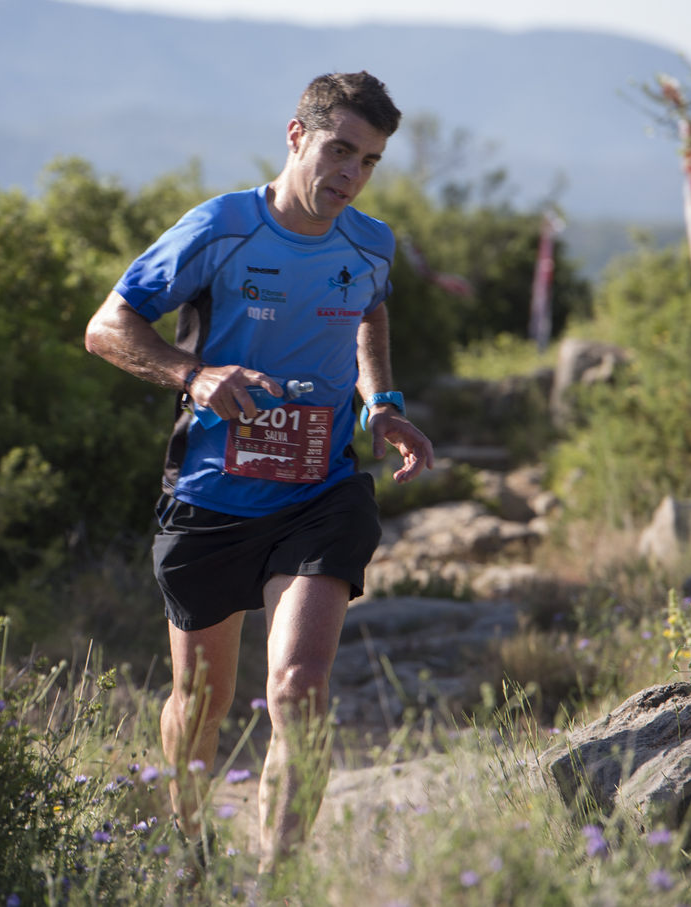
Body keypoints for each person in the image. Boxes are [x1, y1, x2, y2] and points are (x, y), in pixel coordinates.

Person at [84, 70, 434, 873]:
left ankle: (280, 878)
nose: (351, 174)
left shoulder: (370, 242)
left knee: (298, 686)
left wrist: (382, 403)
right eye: (339, 150)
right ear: (296, 135)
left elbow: (370, 308)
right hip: (210, 495)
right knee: (200, 702)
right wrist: (192, 373)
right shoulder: (220, 230)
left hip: (321, 492)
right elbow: (107, 327)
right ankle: (191, 848)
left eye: (369, 161)